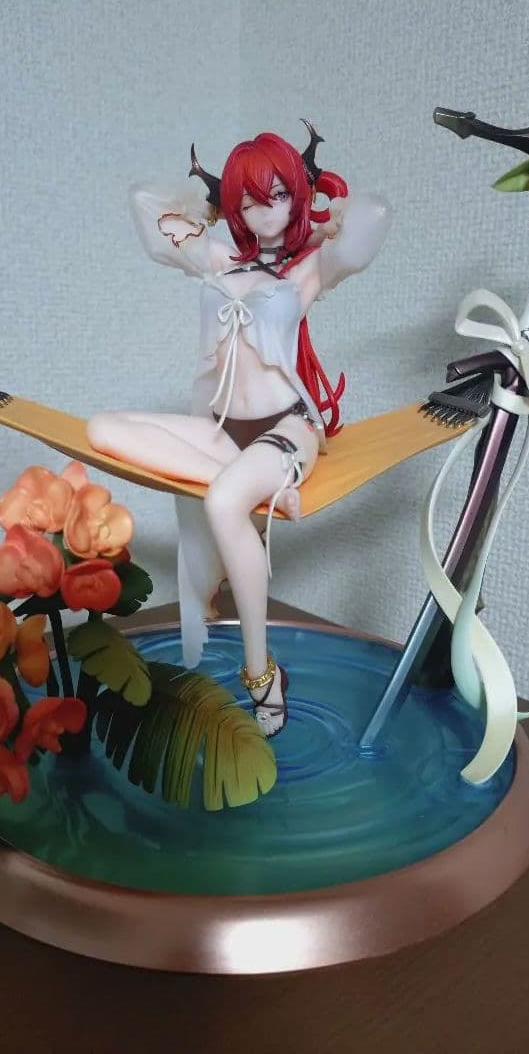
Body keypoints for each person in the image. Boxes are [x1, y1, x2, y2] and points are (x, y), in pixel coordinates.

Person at [88, 125, 390, 737]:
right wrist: (210, 204)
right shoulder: (218, 258)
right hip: (223, 431)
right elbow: (144, 203)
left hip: (285, 425)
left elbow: (375, 218)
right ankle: (265, 487)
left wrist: (322, 213)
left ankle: (261, 674)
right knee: (101, 429)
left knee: (224, 501)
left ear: (295, 196)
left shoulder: (308, 270)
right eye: (248, 201)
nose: (263, 211)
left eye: (276, 195)